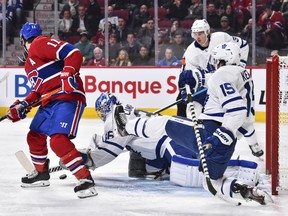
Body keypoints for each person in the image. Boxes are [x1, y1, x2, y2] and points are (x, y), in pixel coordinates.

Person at [113, 42, 268, 205]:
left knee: (166, 123)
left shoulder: (221, 76)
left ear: (224, 59)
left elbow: (236, 109)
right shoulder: (242, 74)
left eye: (216, 60)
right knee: (212, 182)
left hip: (211, 134)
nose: (214, 63)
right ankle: (245, 191)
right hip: (227, 146)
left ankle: (126, 127)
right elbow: (246, 121)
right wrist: (194, 77)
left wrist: (221, 135)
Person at [60, 92, 262, 189]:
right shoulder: (126, 110)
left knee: (197, 171)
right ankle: (161, 169)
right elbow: (118, 143)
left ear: (104, 110)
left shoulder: (115, 119)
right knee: (139, 156)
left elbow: (107, 152)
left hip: (173, 145)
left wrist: (82, 159)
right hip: (172, 140)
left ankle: (240, 173)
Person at [6, 22, 97, 198]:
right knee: (34, 135)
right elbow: (39, 91)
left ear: (23, 40)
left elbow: (73, 53)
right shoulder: (29, 65)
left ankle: (85, 180)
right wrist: (23, 105)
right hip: (50, 101)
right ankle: (41, 174)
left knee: (57, 140)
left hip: (66, 98)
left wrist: (68, 73)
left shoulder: (40, 43)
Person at [175, 19, 263, 158]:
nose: (198, 37)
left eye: (201, 33)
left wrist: (240, 65)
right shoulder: (191, 52)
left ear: (207, 32)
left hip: (228, 79)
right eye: (195, 34)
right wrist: (187, 90)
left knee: (243, 117)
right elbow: (188, 77)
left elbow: (244, 45)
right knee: (193, 106)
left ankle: (253, 144)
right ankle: (197, 136)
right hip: (209, 82)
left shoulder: (221, 37)